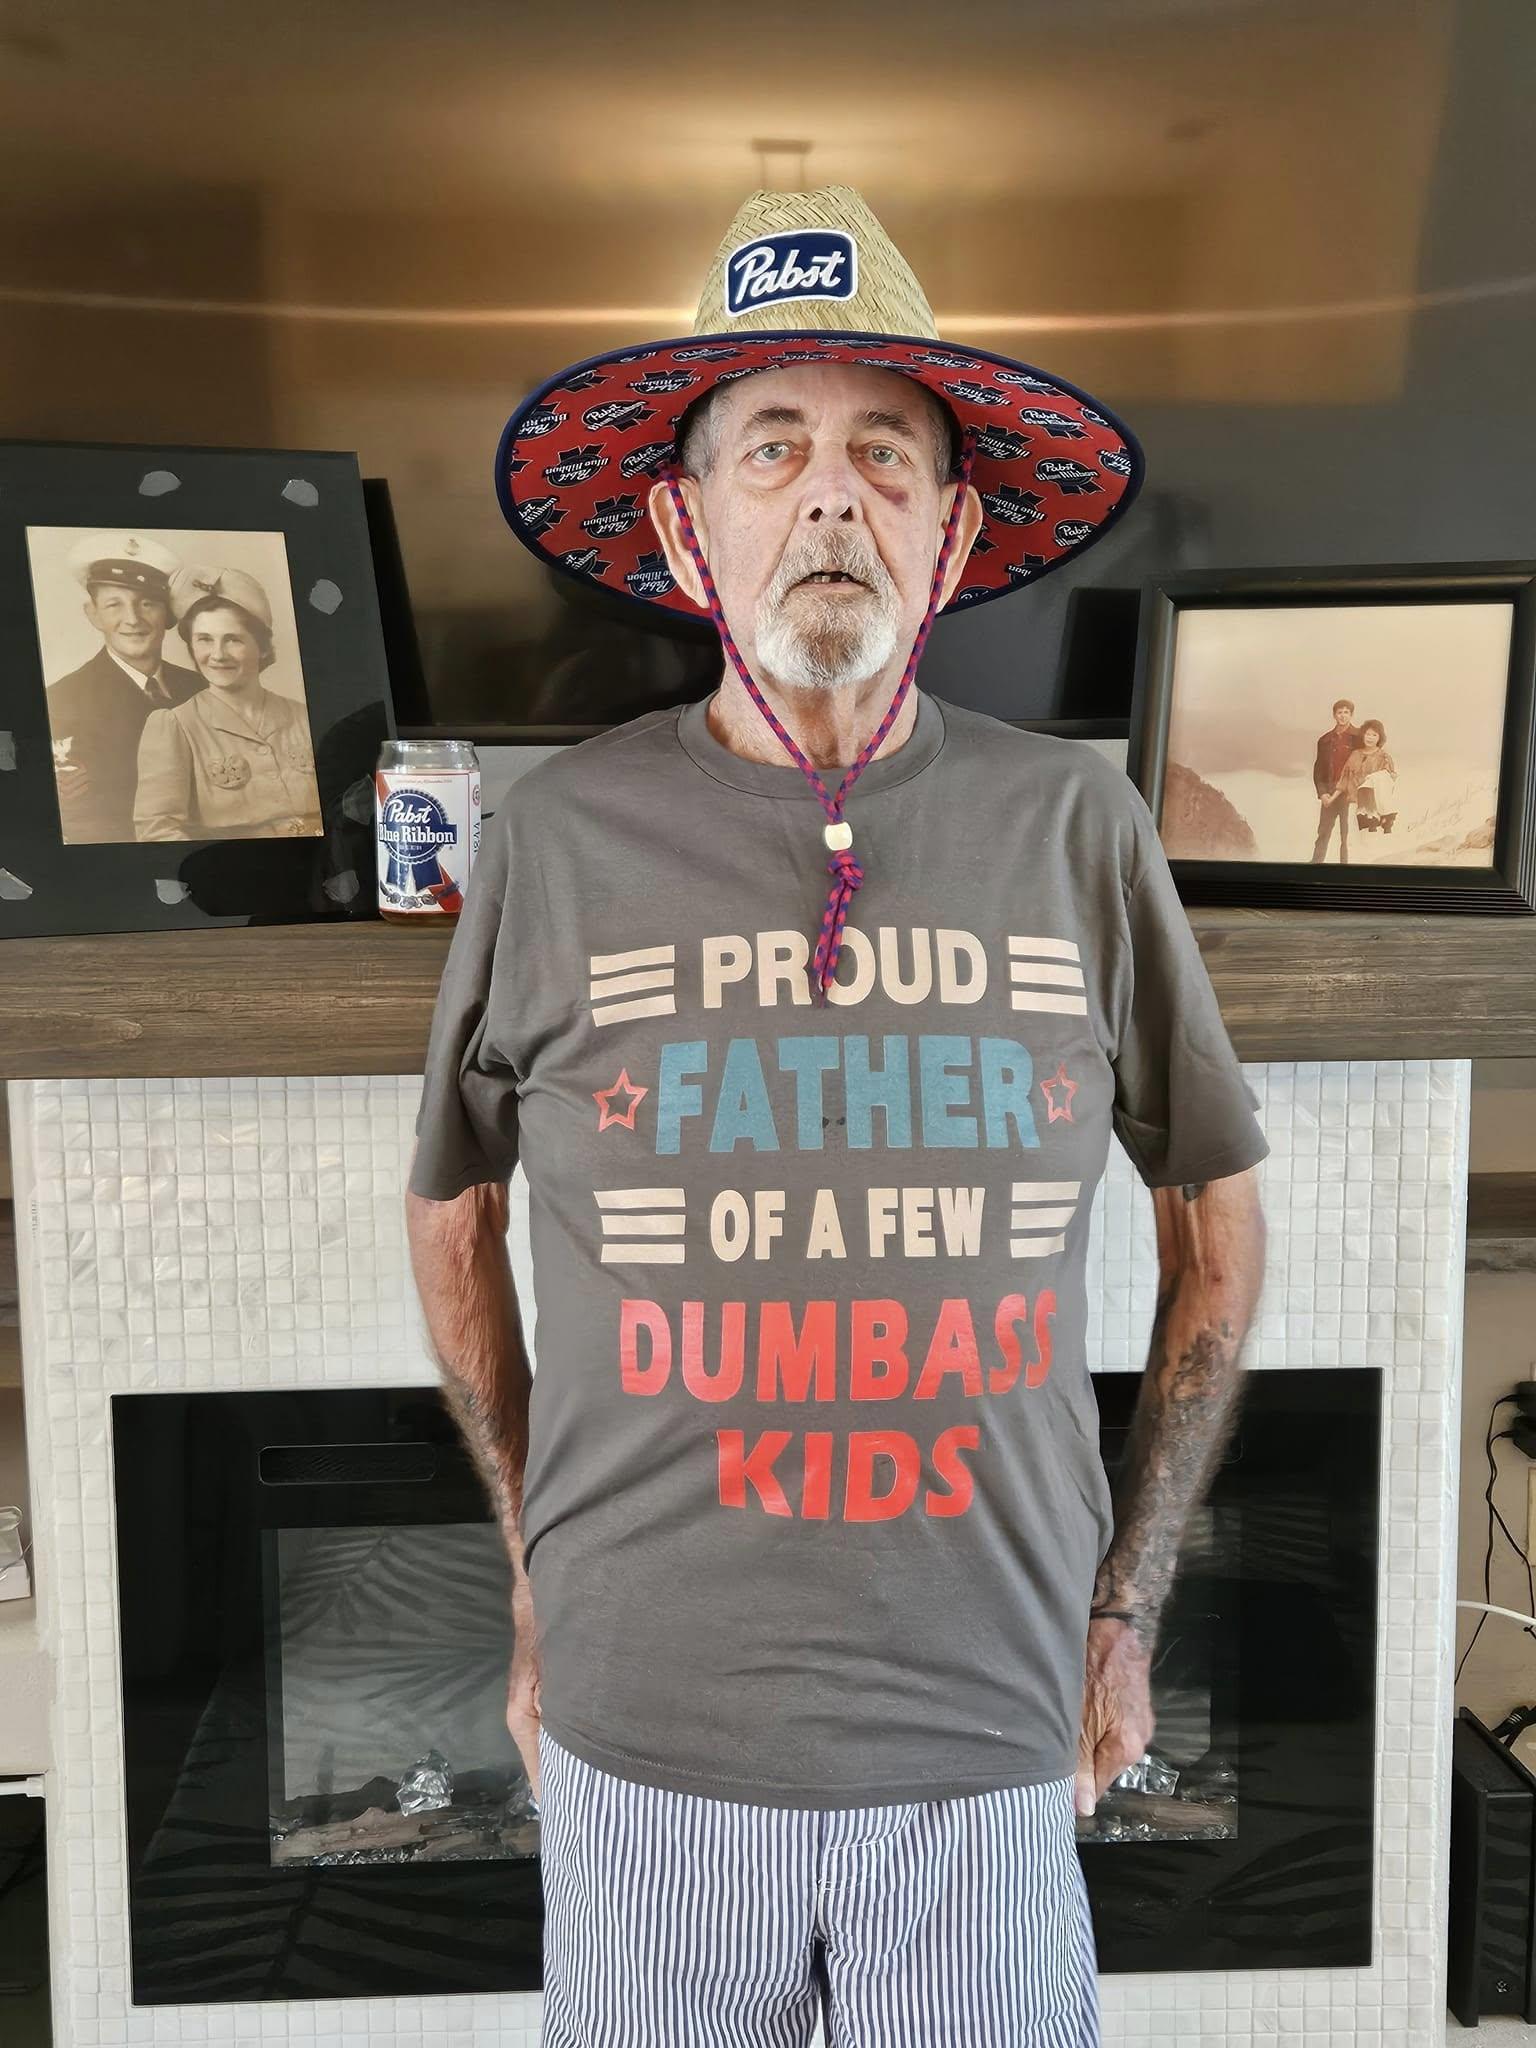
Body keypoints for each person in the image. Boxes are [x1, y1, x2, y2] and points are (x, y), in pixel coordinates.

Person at [405, 185, 1269, 2047]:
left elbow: (1217, 1224)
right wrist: (535, 1579)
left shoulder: (1080, 828)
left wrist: (1124, 1611)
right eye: (772, 445)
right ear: (678, 518)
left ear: (953, 530)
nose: (827, 495)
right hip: (647, 1734)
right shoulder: (551, 842)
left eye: (885, 454)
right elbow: (450, 1211)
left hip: (990, 1729)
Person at [133, 566, 322, 840]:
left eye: (233, 639)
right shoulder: (175, 726)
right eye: (204, 640)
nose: (217, 655)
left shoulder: (303, 716)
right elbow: (157, 832)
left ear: (263, 647)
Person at [45, 531, 205, 843]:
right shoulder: (62, 699)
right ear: (93, 614)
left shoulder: (202, 687)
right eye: (114, 605)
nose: (132, 619)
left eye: (147, 604)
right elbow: (83, 822)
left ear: (169, 614)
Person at [1311, 696, 1364, 864]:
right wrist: (1323, 793)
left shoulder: (1359, 738)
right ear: (1334, 715)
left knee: (1347, 836)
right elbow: (1318, 769)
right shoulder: (1325, 740)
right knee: (1323, 833)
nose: (1343, 716)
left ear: (1351, 714)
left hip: (1350, 793)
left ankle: (1345, 870)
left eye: (1346, 712)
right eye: (1339, 712)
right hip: (1330, 792)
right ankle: (1315, 867)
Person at [1334, 719, 1398, 834]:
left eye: (1374, 735)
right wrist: (1332, 797)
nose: (1370, 737)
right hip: (1354, 803)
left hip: (1377, 805)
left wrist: (1372, 779)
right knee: (1356, 841)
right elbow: (1344, 778)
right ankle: (1367, 816)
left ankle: (1382, 818)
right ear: (1363, 736)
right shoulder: (1355, 755)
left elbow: (1390, 780)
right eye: (1368, 734)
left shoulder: (1384, 757)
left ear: (1380, 738)